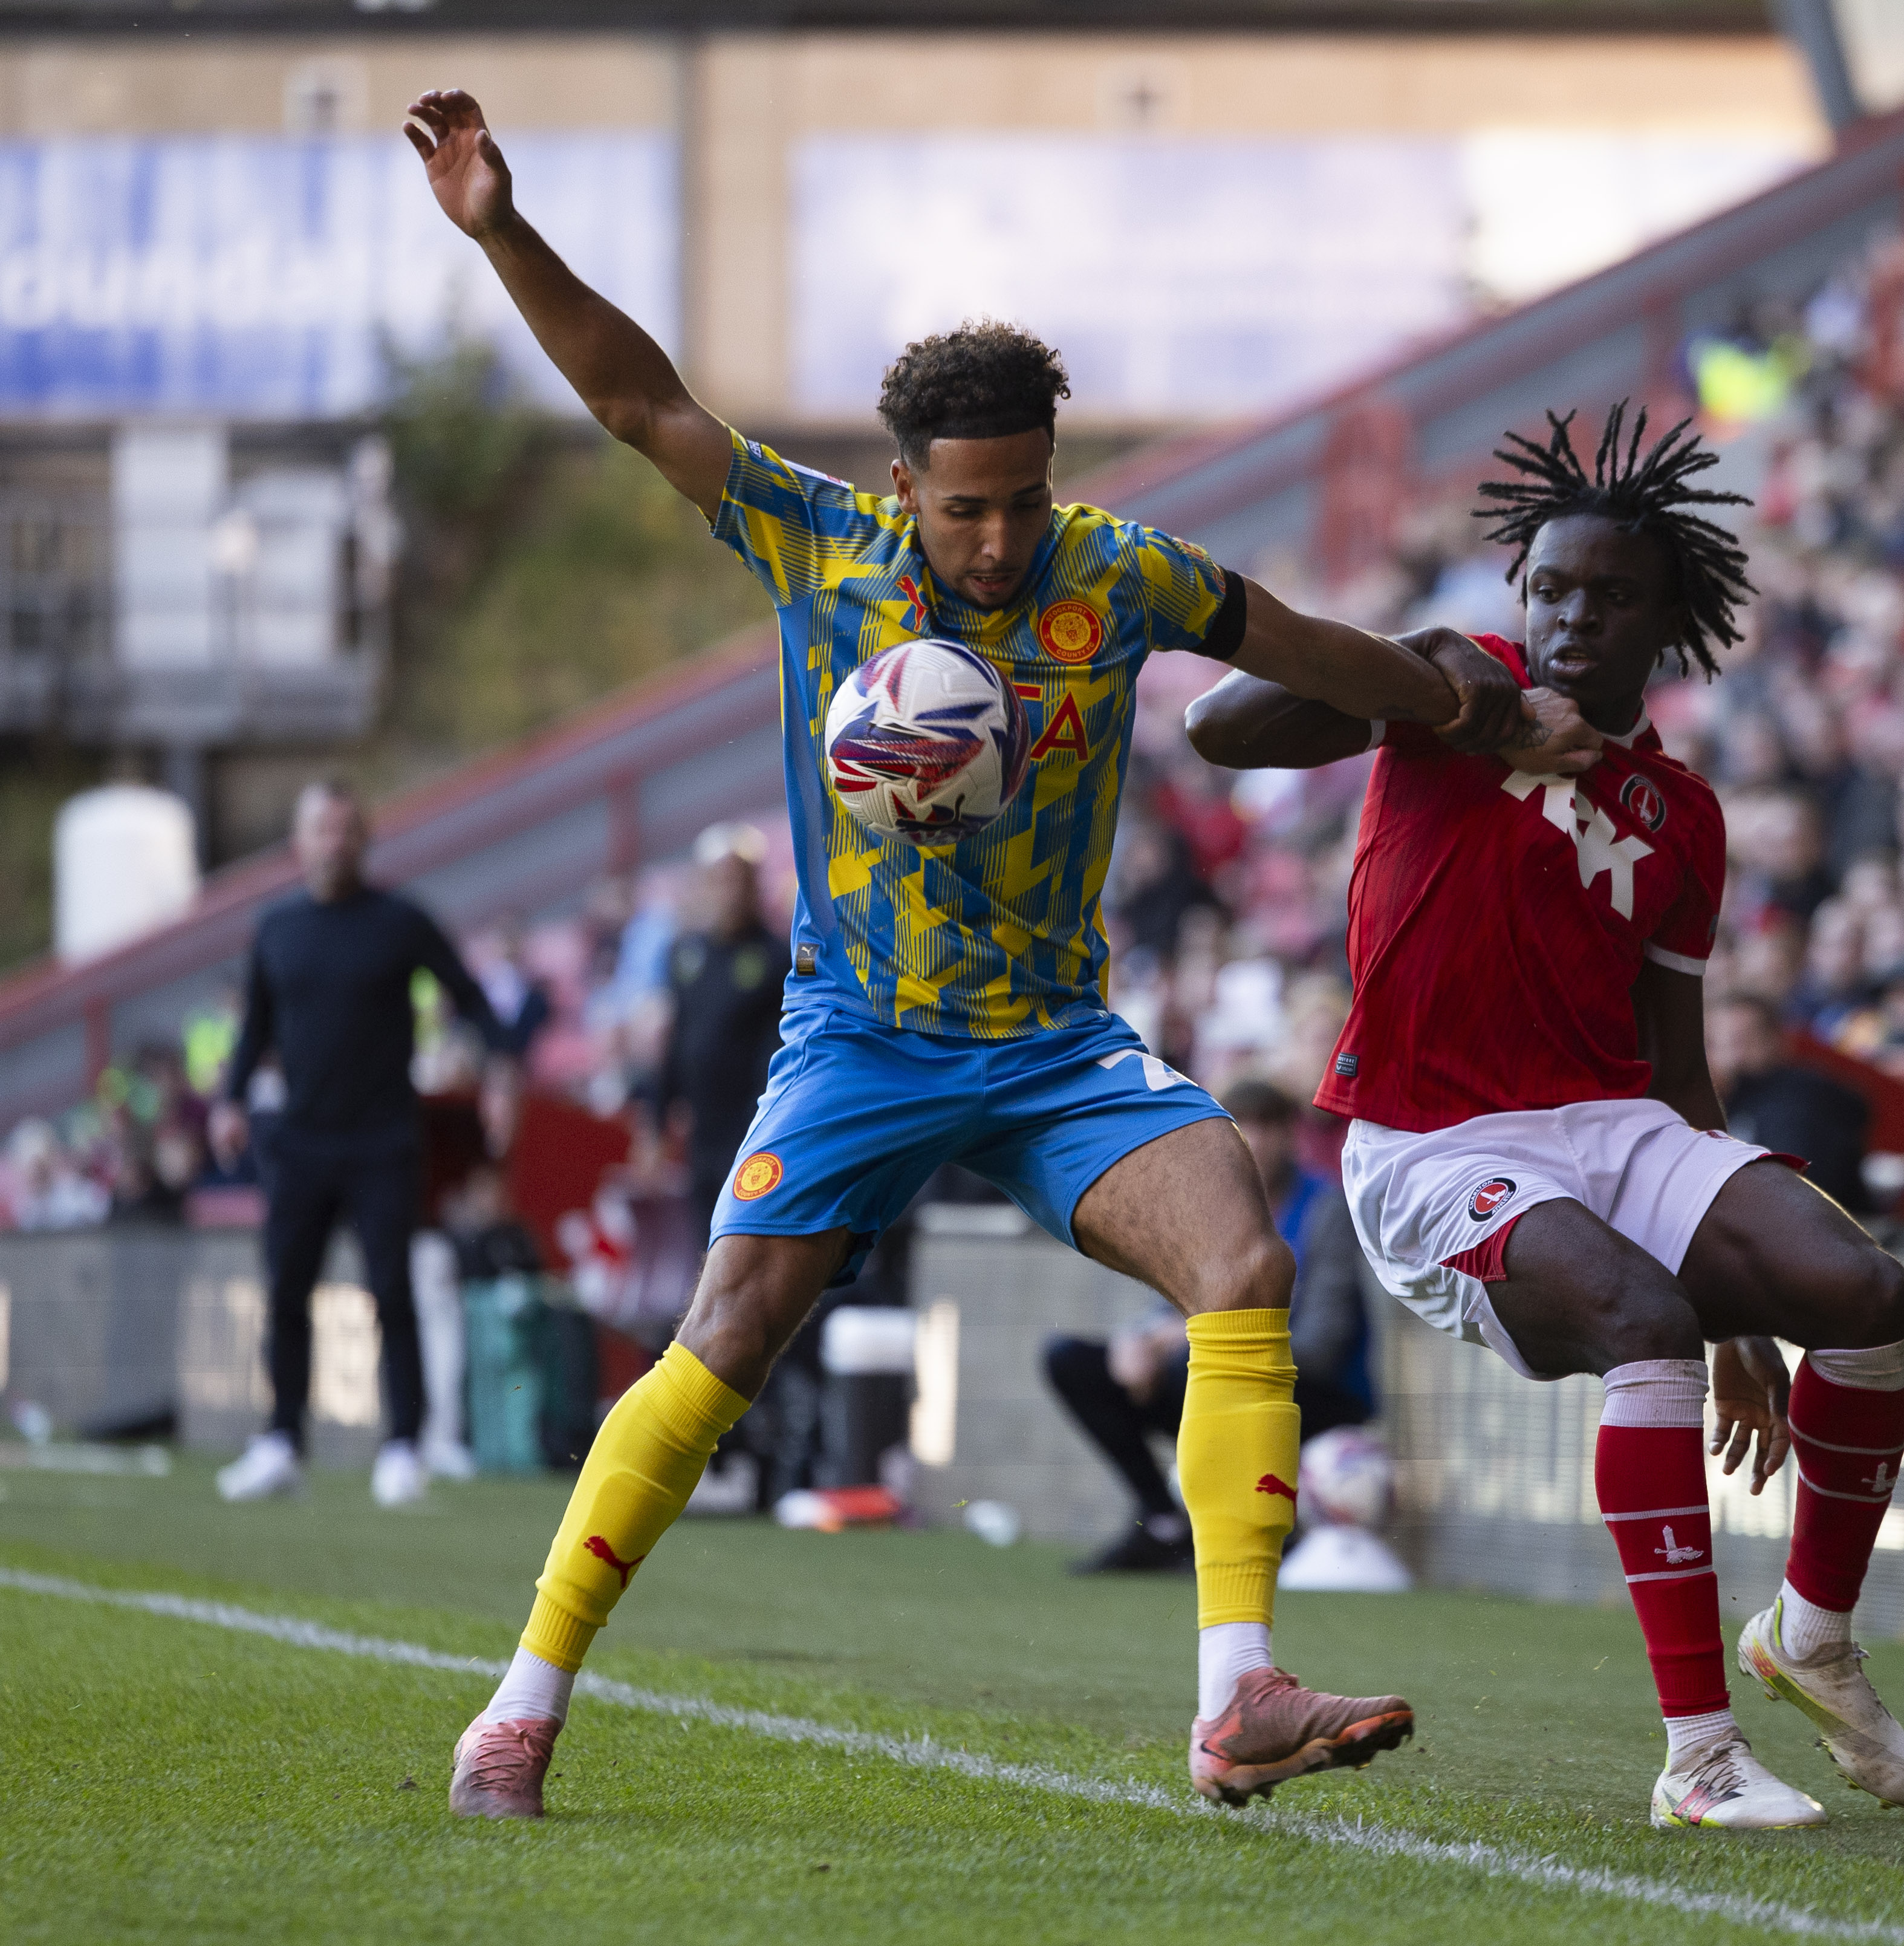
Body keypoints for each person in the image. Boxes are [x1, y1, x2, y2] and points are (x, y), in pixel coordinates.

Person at [406, 88, 1573, 1820]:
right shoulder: (824, 547)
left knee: (1241, 1261)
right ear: (906, 489)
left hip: (1048, 1048)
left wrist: (1467, 703)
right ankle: (518, 1706)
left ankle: (1239, 1691)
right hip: (860, 1035)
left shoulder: (1117, 575)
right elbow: (638, 399)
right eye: (968, 510)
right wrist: (501, 227)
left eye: (1024, 500)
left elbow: (1309, 646)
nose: (1002, 540)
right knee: (727, 1334)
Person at [1186, 403, 1904, 1831]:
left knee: (1871, 1293)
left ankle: (1815, 1634)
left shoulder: (1684, 815)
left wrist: (1749, 1316)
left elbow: (1676, 1063)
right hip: (1431, 1144)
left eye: (1607, 593)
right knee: (1638, 1321)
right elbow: (1224, 726)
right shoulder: (1448, 701)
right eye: (1549, 589)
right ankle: (1699, 1756)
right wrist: (1438, 665)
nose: (1572, 614)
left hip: (1613, 1123)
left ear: (1668, 619)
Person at [209, 780, 513, 1510]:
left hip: (382, 1138)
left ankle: (403, 1447)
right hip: (301, 1139)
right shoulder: (276, 927)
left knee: (392, 1293)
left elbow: (470, 997)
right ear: (300, 839)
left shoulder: (400, 921)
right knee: (285, 1290)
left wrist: (503, 1072)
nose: (334, 841)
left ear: (364, 839)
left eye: (347, 828)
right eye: (322, 827)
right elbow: (255, 1025)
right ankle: (281, 1439)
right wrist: (228, 1100)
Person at [1045, 1079, 1374, 1574]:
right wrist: (1138, 1339)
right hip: (1212, 1369)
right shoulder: (1211, 1202)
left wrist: (1196, 1336)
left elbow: (1323, 1343)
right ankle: (1162, 1523)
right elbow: (1169, 1295)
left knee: (1193, 1372)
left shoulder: (1326, 1209)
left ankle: (1255, 1536)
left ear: (1292, 1135)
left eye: (1268, 1127)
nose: (1256, 1141)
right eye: (1244, 1127)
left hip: (1315, 1391)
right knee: (1072, 1361)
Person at [659, 825, 787, 1253]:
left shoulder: (779, 955)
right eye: (720, 879)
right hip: (703, 1128)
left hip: (753, 1124)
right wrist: (656, 1115)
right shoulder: (686, 954)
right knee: (704, 1240)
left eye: (739, 879)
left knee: (746, 1240)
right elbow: (677, 1035)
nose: (729, 892)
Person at [1704, 993, 1873, 1212]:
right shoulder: (1726, 1101)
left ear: (1776, 1040)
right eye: (1716, 1045)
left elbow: (1791, 1192)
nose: (1732, 1057)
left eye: (1743, 1041)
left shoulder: (1800, 1101)